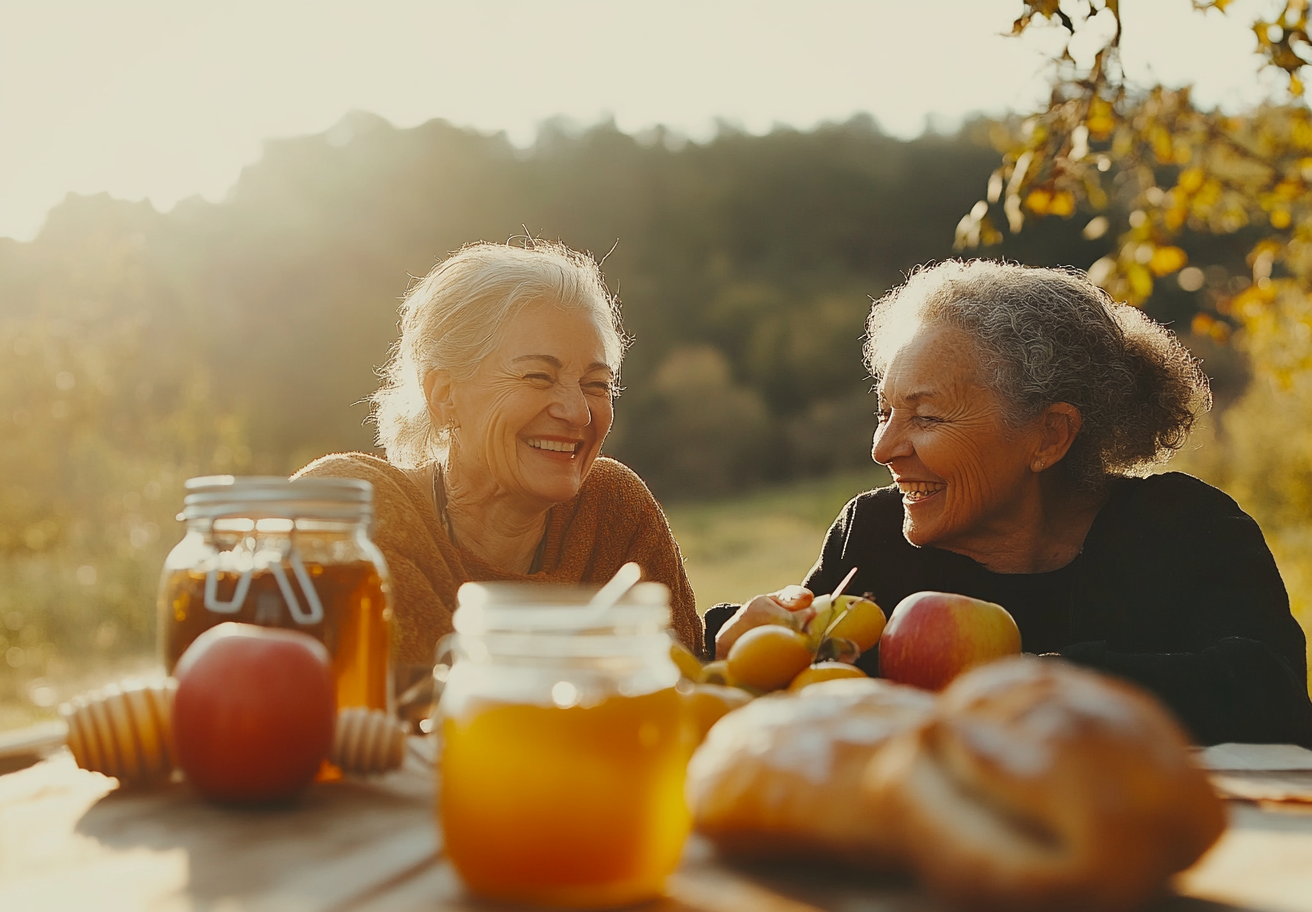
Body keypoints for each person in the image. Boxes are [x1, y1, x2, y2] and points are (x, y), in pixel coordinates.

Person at [707, 259, 1312, 746]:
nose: (883, 448)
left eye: (926, 416)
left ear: (1049, 436)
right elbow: (806, 685)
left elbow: (1269, 696)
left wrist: (1010, 676)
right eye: (885, 411)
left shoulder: (1185, 530)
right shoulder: (873, 535)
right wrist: (741, 640)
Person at [297, 241, 701, 684]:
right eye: (538, 376)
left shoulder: (615, 512)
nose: (578, 412)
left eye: (596, 384)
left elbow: (688, 689)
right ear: (443, 394)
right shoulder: (354, 516)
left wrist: (734, 634)